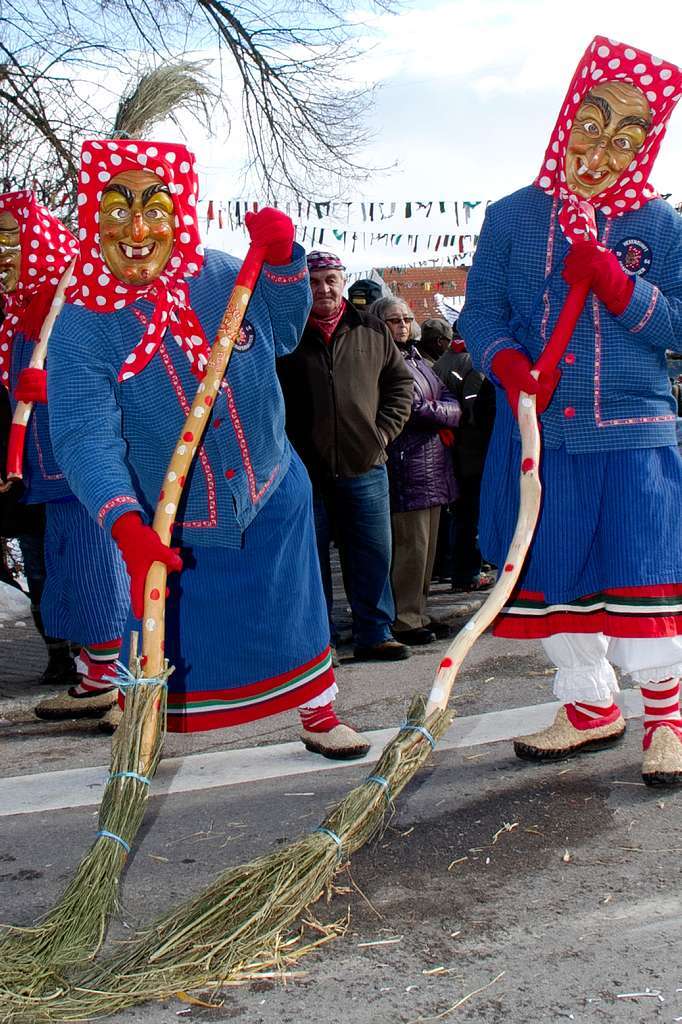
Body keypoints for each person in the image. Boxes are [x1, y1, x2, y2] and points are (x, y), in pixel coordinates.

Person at [47, 140, 368, 759]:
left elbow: (280, 332)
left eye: (153, 207)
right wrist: (124, 522)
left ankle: (319, 711)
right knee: (169, 629)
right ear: (91, 216)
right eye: (116, 210)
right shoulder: (82, 321)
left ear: (181, 211)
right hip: (175, 517)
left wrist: (280, 264)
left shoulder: (221, 273)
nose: (137, 230)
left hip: (269, 484)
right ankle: (137, 711)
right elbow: (84, 433)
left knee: (297, 609)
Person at [459, 36, 682, 785]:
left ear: (647, 146)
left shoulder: (662, 225)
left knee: (643, 571)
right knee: (561, 574)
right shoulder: (512, 216)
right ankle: (590, 707)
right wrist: (507, 363)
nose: (605, 147)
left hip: (634, 432)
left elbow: (679, 327)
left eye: (630, 135)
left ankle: (668, 716)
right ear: (566, 117)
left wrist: (621, 288)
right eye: (593, 122)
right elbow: (479, 314)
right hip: (542, 432)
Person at [0, 190, 127, 712]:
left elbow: (112, 376)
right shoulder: (18, 315)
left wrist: (52, 388)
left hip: (83, 467)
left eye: (12, 238)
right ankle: (93, 675)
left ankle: (126, 684)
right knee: (68, 572)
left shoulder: (74, 305)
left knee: (101, 569)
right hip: (46, 471)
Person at [277, 251, 414, 661]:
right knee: (310, 560)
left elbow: (399, 386)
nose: (323, 289)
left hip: (365, 464)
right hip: (304, 469)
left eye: (331, 280)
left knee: (372, 554)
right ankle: (320, 642)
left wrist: (382, 434)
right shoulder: (286, 332)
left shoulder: (371, 328)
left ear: (342, 281)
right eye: (315, 281)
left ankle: (375, 633)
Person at [369, 296, 460, 644]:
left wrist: (442, 410)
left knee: (427, 549)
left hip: (432, 462)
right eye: (395, 320)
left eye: (407, 319)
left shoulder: (417, 358)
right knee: (410, 547)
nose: (403, 326)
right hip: (407, 464)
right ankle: (405, 618)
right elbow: (415, 410)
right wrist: (443, 410)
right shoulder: (382, 358)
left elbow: (448, 399)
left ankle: (418, 610)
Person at [433, 322, 496, 592]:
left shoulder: (443, 361)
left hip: (452, 449)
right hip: (473, 450)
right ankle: (468, 572)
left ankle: (459, 570)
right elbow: (473, 409)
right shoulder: (472, 362)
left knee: (461, 515)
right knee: (471, 515)